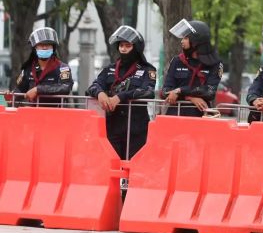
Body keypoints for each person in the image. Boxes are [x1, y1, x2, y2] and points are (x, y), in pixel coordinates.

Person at [86, 26, 157, 159]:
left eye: (128, 46)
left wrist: (121, 97)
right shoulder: (109, 69)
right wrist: (100, 93)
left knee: (134, 167)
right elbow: (93, 86)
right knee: (111, 164)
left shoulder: (147, 70)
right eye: (121, 46)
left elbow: (148, 92)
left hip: (136, 128)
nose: (123, 49)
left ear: (136, 48)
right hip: (112, 126)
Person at [162, 19, 222, 117]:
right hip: (175, 115)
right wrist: (189, 98)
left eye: (186, 38)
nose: (182, 41)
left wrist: (180, 90)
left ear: (196, 41)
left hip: (201, 116)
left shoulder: (214, 63)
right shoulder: (177, 61)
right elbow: (165, 91)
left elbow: (209, 92)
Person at [12, 27, 73, 105]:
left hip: (55, 112)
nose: (44, 48)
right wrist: (11, 95)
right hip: (32, 113)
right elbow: (20, 90)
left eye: (48, 45)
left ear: (53, 48)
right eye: (41, 45)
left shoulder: (62, 68)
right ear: (35, 48)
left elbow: (65, 88)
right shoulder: (28, 69)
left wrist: (38, 89)